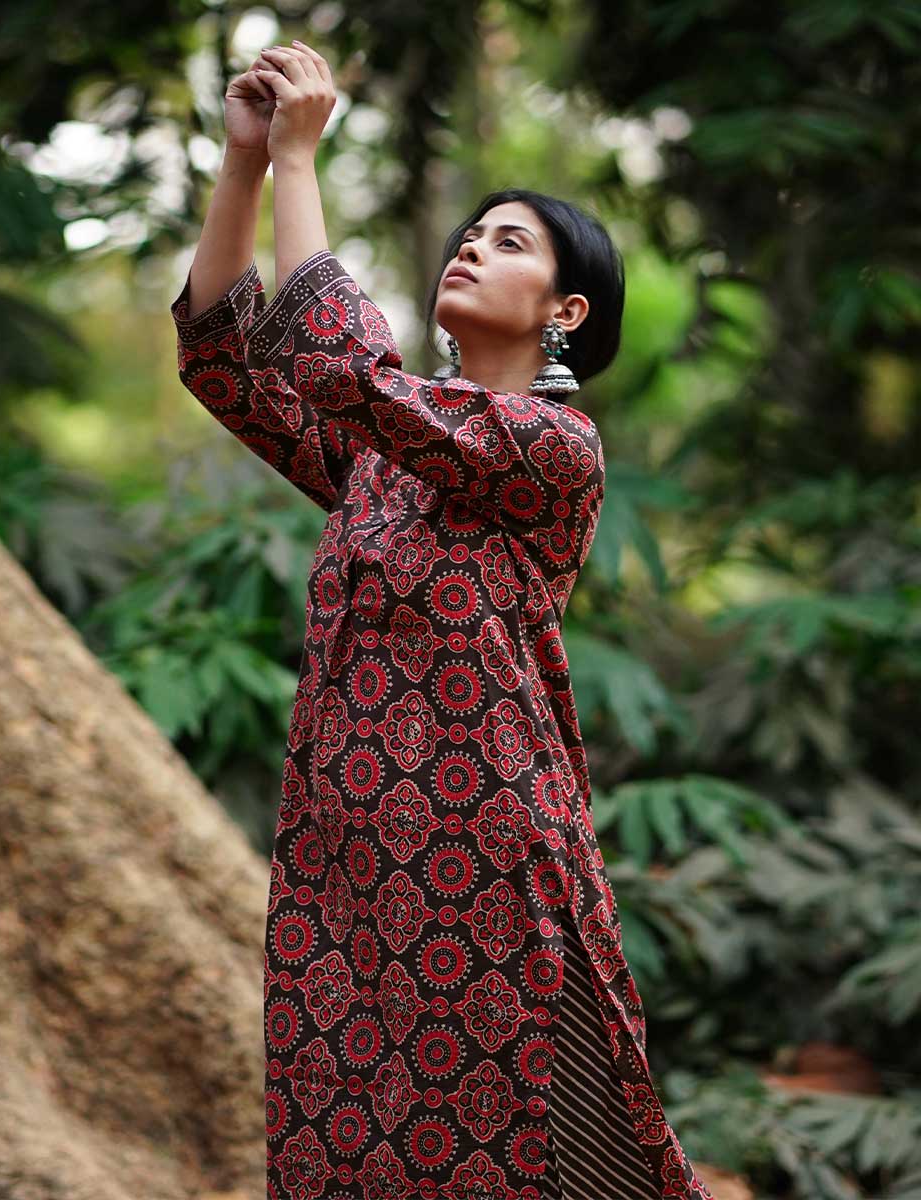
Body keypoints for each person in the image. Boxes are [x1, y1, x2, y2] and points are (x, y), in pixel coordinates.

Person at [170, 39, 714, 1200]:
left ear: (565, 311)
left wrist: (303, 159)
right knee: (348, 1143)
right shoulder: (381, 464)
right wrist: (245, 163)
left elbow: (344, 368)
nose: (472, 245)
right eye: (471, 233)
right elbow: (225, 365)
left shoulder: (555, 449)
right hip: (343, 868)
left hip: (486, 862)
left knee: (534, 1148)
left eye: (509, 242)